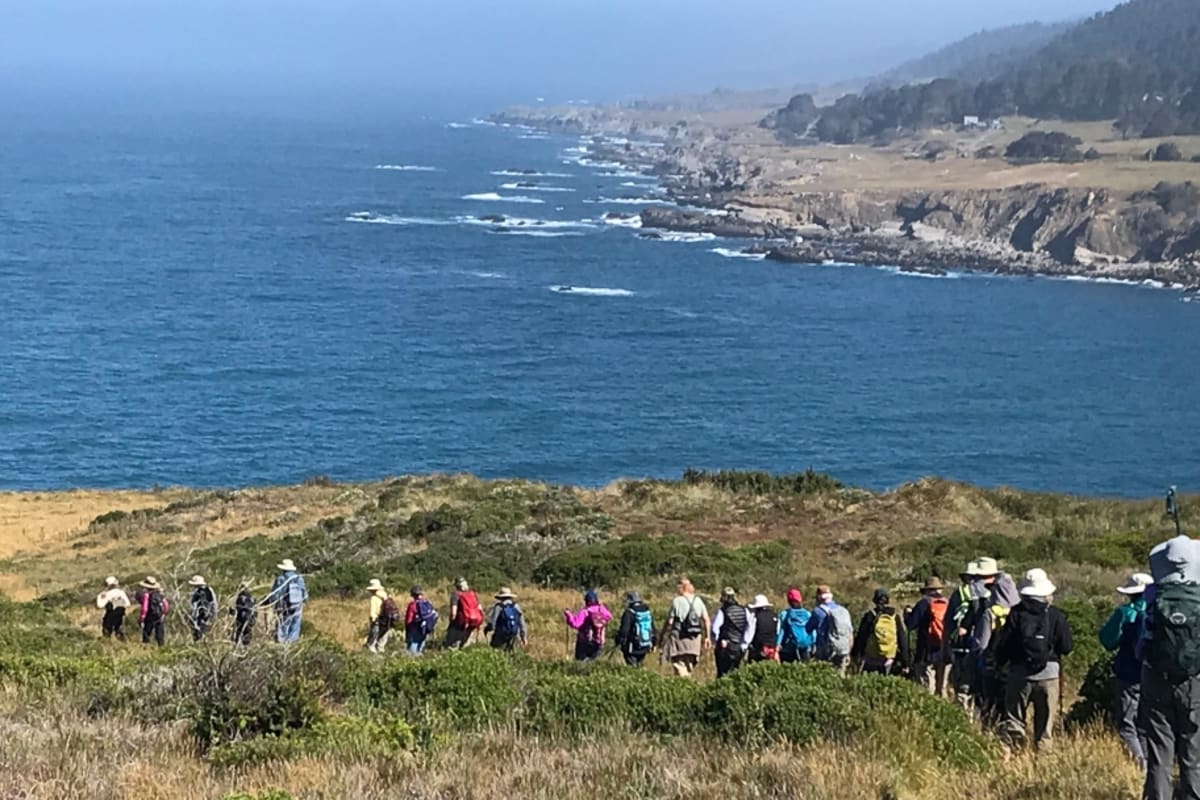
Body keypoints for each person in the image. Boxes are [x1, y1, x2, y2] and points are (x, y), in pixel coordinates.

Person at [1141, 534, 1200, 800]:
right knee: (1193, 752)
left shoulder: (1153, 595)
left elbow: (1142, 641)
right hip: (1194, 681)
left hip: (1156, 678)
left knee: (1159, 753)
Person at [994, 568, 1073, 751]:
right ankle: (1043, 761)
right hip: (1049, 675)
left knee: (1014, 721)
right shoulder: (1056, 615)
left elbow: (1003, 645)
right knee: (1045, 727)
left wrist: (999, 664)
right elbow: (1067, 647)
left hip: (1019, 674)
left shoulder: (1015, 613)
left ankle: (1013, 755)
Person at [1099, 572, 1152, 768]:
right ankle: (1152, 766)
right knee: (1148, 725)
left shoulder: (1125, 612)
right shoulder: (1158, 611)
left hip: (1129, 675)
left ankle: (1140, 766)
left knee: (1128, 724)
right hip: (1155, 677)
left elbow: (1107, 640)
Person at [906, 576, 950, 696]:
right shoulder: (948, 603)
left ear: (926, 590)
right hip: (944, 647)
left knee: (926, 681)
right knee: (942, 685)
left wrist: (908, 614)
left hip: (926, 648)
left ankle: (928, 707)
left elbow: (911, 625)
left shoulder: (923, 603)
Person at [852, 588, 910, 676]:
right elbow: (902, 640)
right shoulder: (894, 617)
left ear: (875, 600)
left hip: (871, 657)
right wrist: (905, 662)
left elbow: (861, 638)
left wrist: (856, 656)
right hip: (888, 659)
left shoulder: (870, 615)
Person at [661, 576, 711, 677]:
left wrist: (662, 635)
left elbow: (670, 621)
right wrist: (707, 637)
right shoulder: (698, 600)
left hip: (679, 638)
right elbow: (706, 620)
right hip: (695, 639)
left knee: (680, 665)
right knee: (689, 665)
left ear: (681, 587)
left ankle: (683, 687)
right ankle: (688, 686)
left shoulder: (677, 601)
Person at [807, 584, 853, 675]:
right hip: (842, 649)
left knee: (823, 676)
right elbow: (850, 633)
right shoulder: (843, 611)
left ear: (819, 597)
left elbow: (808, 629)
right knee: (840, 676)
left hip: (825, 651)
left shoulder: (817, 611)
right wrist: (848, 651)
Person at [711, 587, 753, 677]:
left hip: (725, 646)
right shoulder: (744, 610)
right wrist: (744, 642)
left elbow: (715, 629)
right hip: (739, 646)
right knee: (736, 672)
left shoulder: (723, 611)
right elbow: (750, 627)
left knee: (722, 673)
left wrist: (716, 641)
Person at [264, 559, 307, 644]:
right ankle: (292, 643)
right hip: (297, 606)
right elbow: (304, 594)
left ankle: (282, 644)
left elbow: (275, 595)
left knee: (283, 625)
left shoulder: (280, 579)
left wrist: (271, 603)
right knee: (295, 625)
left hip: (283, 606)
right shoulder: (299, 578)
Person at [563, 589, 613, 662]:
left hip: (584, 642)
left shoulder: (585, 612)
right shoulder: (601, 609)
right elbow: (609, 617)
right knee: (593, 663)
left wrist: (568, 615)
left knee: (580, 662)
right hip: (598, 642)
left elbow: (575, 624)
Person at [615, 591, 656, 667]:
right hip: (645, 645)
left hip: (632, 647)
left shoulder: (629, 613)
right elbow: (653, 628)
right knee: (639, 665)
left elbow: (624, 630)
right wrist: (654, 642)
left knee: (632, 667)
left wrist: (619, 641)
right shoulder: (646, 612)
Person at [444, 577, 484, 649]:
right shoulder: (472, 594)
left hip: (459, 623)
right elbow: (480, 608)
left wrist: (451, 622)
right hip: (472, 623)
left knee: (451, 646)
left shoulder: (455, 595)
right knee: (465, 645)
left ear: (456, 585)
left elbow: (454, 612)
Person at [776, 588, 814, 663]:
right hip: (805, 647)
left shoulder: (785, 614)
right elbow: (813, 632)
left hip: (789, 648)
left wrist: (778, 645)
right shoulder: (807, 614)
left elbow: (781, 631)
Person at [365, 578, 398, 654]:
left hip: (378, 619)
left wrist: (373, 619)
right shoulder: (385, 595)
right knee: (382, 639)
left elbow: (373, 611)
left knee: (373, 639)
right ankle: (382, 653)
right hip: (387, 619)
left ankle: (372, 655)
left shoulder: (374, 598)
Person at [404, 585, 438, 655]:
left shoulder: (412, 605)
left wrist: (407, 629)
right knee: (420, 646)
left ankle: (412, 661)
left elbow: (409, 619)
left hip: (415, 628)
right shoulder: (427, 603)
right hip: (425, 628)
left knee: (412, 648)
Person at [137, 576, 169, 647]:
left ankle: (145, 647)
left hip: (150, 617)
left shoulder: (146, 595)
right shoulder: (160, 594)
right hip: (159, 617)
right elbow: (166, 605)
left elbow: (144, 608)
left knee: (147, 633)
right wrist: (164, 614)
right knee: (159, 633)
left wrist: (142, 618)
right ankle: (162, 648)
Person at [95, 576, 130, 641]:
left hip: (109, 616)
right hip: (120, 616)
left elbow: (100, 605)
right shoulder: (121, 592)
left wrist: (100, 597)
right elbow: (128, 604)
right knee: (120, 633)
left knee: (106, 632)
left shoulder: (107, 594)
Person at [747, 594, 779, 663]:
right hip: (772, 649)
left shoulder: (755, 616)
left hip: (758, 649)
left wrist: (745, 645)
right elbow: (777, 632)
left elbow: (750, 633)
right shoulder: (775, 615)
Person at [187, 575, 217, 642]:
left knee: (199, 634)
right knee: (199, 634)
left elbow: (211, 605)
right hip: (200, 617)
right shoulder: (201, 591)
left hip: (202, 617)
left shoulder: (205, 592)